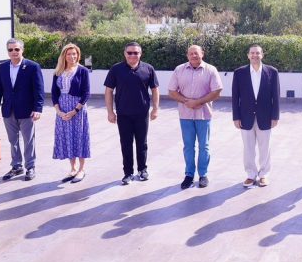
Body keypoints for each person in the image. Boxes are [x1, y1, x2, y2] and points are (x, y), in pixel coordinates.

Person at [167, 45, 223, 190]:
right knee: (188, 146)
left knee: (204, 146)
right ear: (187, 55)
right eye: (191, 53)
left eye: (196, 53)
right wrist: (187, 102)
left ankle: (203, 175)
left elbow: (217, 91)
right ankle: (189, 175)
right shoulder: (179, 70)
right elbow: (172, 91)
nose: (194, 56)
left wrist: (198, 102)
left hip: (204, 115)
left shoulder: (211, 70)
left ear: (202, 54)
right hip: (185, 115)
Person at [104, 42, 160, 186]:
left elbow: (155, 89)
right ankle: (128, 173)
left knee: (142, 143)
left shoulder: (148, 69)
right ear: (125, 53)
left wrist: (155, 109)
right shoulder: (116, 69)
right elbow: (109, 91)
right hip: (123, 114)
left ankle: (142, 170)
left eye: (136, 53)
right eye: (130, 52)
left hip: (142, 113)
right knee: (126, 144)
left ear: (140, 54)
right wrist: (110, 112)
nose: (132, 55)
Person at [0, 38, 45, 181]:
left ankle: (30, 167)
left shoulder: (33, 67)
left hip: (27, 111)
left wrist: (38, 109)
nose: (14, 52)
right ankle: (16, 166)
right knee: (12, 140)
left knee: (28, 140)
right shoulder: (2, 67)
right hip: (8, 110)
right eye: (10, 50)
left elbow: (39, 90)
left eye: (16, 49)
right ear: (7, 51)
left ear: (22, 50)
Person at [231, 44, 280, 189]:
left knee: (265, 147)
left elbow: (276, 96)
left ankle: (264, 174)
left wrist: (275, 116)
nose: (255, 55)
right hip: (245, 116)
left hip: (265, 116)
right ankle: (251, 175)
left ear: (262, 55)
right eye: (252, 53)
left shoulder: (272, 72)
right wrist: (236, 117)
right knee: (248, 148)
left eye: (257, 53)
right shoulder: (239, 73)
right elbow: (235, 97)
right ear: (248, 55)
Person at [51, 43, 91, 184]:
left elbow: (86, 93)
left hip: (78, 108)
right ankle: (73, 168)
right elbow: (54, 93)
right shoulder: (58, 71)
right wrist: (59, 111)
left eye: (74, 54)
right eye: (69, 54)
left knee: (79, 137)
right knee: (68, 137)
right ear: (64, 56)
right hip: (62, 109)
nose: (72, 56)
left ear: (78, 55)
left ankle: (81, 169)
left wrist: (75, 111)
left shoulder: (83, 71)